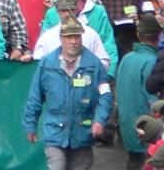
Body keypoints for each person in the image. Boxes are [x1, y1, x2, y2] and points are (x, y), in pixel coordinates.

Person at [23, 17, 113, 170]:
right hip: (55, 132)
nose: (73, 41)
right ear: (61, 38)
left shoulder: (94, 64)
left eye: (77, 36)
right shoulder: (47, 64)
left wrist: (100, 120)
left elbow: (105, 95)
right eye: (69, 37)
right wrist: (30, 125)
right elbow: (35, 97)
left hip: (83, 133)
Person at [116, 15, 162, 170]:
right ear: (159, 36)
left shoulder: (126, 59)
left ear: (138, 35)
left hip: (127, 125)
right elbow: (153, 101)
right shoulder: (152, 62)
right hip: (146, 128)